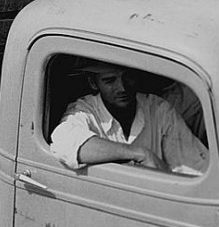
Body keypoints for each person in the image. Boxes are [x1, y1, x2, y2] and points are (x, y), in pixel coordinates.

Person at [50, 61, 208, 174]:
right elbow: (66, 143)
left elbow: (194, 166)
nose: (122, 88)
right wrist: (139, 153)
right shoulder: (85, 111)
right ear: (94, 83)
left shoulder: (158, 109)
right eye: (110, 81)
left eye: (128, 77)